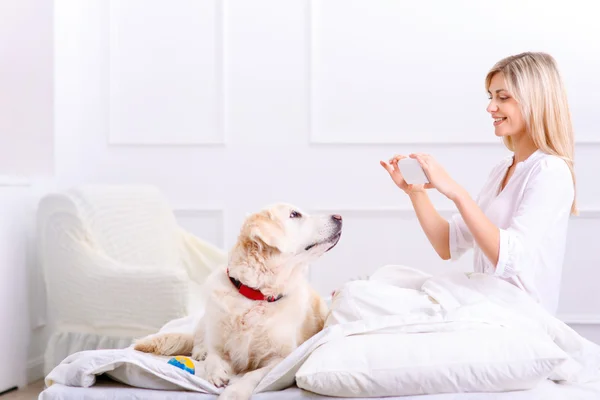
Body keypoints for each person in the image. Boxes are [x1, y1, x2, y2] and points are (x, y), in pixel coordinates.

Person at [380, 52, 577, 316]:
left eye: (502, 97)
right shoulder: (503, 169)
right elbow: (446, 244)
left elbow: (509, 259)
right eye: (491, 96)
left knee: (368, 300)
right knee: (377, 286)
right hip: (483, 304)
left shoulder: (550, 171)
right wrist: (415, 192)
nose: (490, 107)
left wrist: (455, 191)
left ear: (536, 102)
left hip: (514, 316)